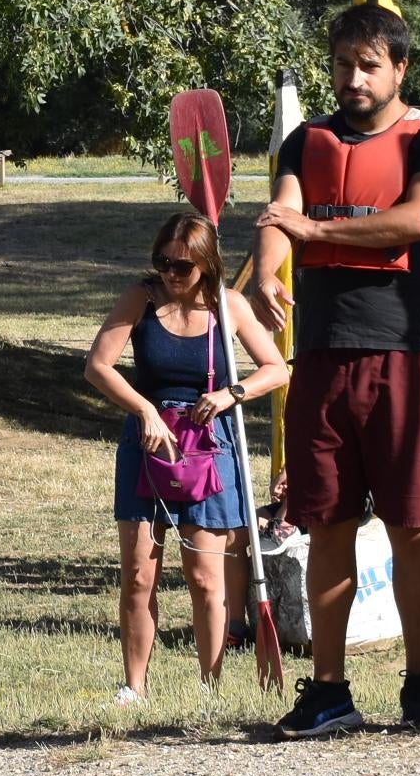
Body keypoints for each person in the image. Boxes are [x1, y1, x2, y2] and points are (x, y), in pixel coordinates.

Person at [248, 3, 420, 738]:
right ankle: (330, 689)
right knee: (327, 522)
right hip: (322, 356)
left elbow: (418, 220)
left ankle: (419, 684)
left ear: (400, 68)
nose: (354, 78)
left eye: (369, 65)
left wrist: (315, 231)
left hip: (406, 352)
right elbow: (282, 214)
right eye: (343, 64)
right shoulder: (304, 140)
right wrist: (270, 272)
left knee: (410, 523)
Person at [81, 206, 288, 702]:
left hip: (208, 449)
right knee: (138, 574)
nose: (170, 274)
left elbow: (276, 369)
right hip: (147, 447)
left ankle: (209, 687)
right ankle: (133, 686)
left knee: (204, 577)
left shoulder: (228, 306)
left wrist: (229, 395)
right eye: (163, 262)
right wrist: (144, 409)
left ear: (206, 265)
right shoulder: (141, 298)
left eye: (182, 266)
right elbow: (98, 366)